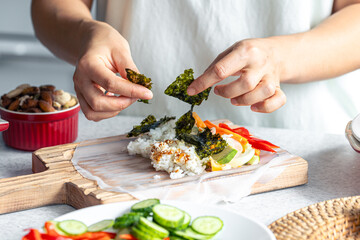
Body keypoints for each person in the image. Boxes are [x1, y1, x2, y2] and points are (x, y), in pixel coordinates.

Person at [31, 0, 360, 133]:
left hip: (299, 139)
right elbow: (51, 6)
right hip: (130, 135)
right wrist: (87, 34)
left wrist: (280, 57)